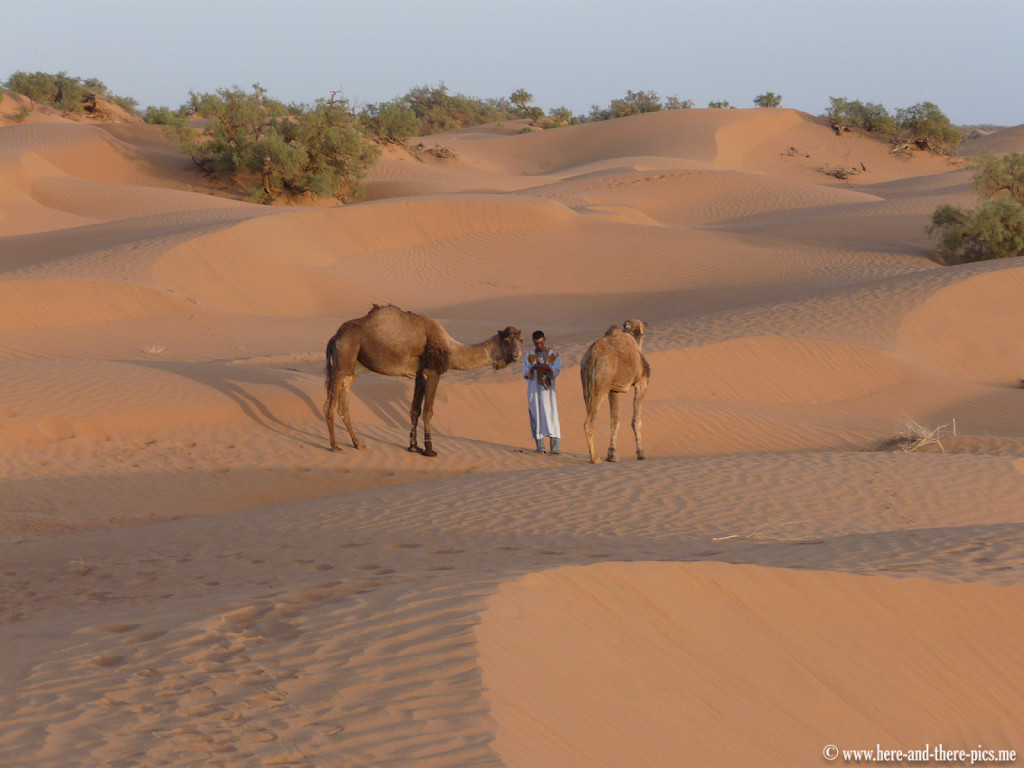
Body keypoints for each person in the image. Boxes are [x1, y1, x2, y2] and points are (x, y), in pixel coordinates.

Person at [523, 330, 562, 454]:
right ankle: (541, 447)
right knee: (537, 417)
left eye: (540, 343)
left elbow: (557, 369)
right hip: (534, 393)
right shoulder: (529, 355)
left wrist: (548, 368)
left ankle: (555, 448)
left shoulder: (553, 355)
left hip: (548, 393)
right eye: (536, 344)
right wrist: (533, 368)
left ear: (544, 340)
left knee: (552, 417)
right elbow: (525, 371)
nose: (539, 346)